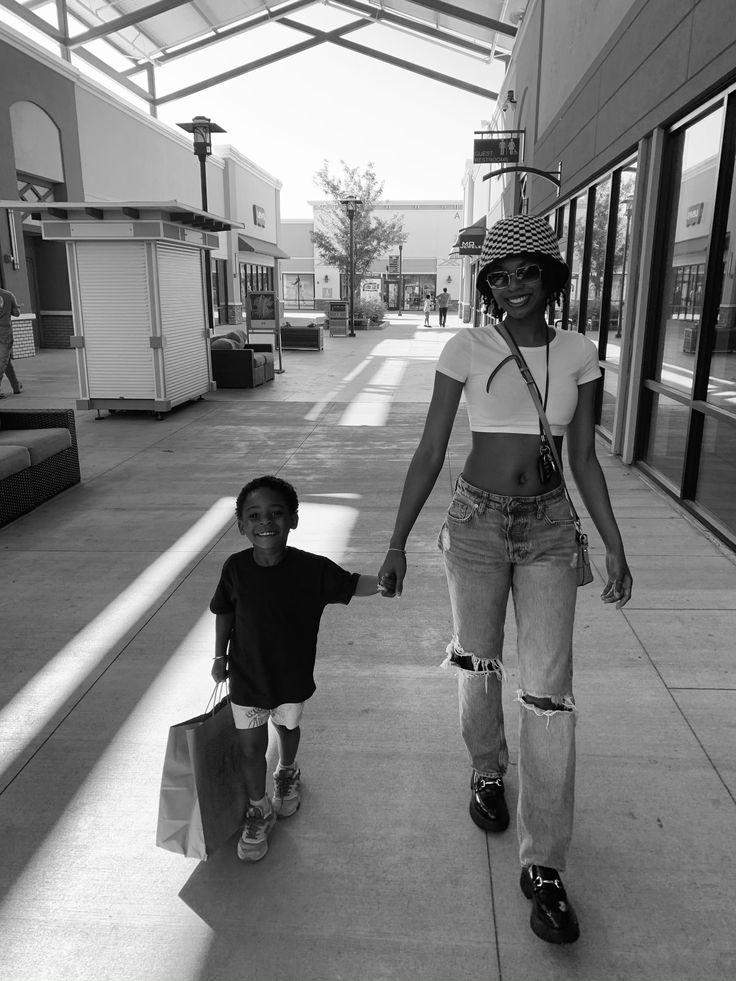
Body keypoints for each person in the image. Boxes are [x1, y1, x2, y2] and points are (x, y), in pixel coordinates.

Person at [378, 214, 632, 945]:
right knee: (478, 661)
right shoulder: (467, 347)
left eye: (527, 272)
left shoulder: (581, 353)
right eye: (500, 275)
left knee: (550, 693)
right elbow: (431, 448)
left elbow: (584, 459)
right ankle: (487, 769)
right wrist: (396, 541)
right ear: (487, 284)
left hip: (551, 528)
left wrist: (614, 544)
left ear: (550, 278)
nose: (513, 285)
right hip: (477, 524)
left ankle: (544, 865)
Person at [210, 475, 387, 863]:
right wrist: (220, 657)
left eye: (276, 513)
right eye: (253, 515)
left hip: (290, 678)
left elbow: (352, 584)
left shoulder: (312, 569)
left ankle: (287, 771)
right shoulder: (235, 568)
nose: (265, 522)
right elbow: (224, 611)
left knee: (287, 727)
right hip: (246, 678)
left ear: (293, 519)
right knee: (250, 747)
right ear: (241, 525)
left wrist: (385, 582)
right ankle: (259, 807)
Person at [0, 285, 23, 398]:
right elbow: (17, 313)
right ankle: (16, 386)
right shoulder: (8, 295)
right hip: (5, 333)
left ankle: (16, 386)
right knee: (3, 362)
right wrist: (16, 307)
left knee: (5, 362)